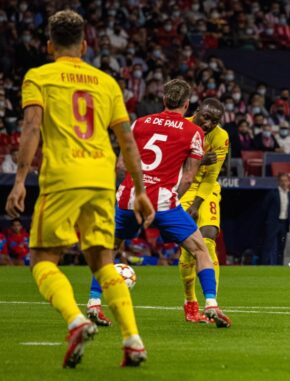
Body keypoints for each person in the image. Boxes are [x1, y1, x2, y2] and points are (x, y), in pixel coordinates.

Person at [4, 10, 155, 368]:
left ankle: (75, 320)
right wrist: (141, 190)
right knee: (103, 261)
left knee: (43, 259)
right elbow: (127, 142)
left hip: (63, 176)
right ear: (85, 45)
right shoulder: (106, 83)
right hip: (102, 176)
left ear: (49, 45)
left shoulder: (39, 76)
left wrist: (20, 178)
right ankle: (133, 341)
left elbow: (31, 127)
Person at [87, 81, 231, 329]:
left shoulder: (139, 122)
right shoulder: (192, 132)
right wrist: (170, 200)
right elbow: (188, 177)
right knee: (200, 250)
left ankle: (93, 303)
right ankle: (211, 305)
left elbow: (121, 166)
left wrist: (130, 190)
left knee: (109, 249)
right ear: (187, 105)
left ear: (164, 100)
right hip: (163, 201)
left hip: (129, 196)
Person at [178, 97, 230, 324]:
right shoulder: (181, 126)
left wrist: (196, 205)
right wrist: (197, 160)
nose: (208, 124)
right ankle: (190, 300)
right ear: (197, 111)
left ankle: (212, 304)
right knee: (189, 248)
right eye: (205, 117)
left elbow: (211, 177)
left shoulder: (221, 137)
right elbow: (171, 164)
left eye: (214, 121)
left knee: (209, 236)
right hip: (181, 186)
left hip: (206, 190)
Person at [263, 173, 290, 265]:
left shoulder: (289, 195)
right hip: (273, 223)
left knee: (281, 246)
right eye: (282, 181)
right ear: (279, 182)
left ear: (289, 182)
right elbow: (265, 207)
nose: (284, 183)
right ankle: (265, 265)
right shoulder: (273, 193)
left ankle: (280, 265)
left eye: (286, 181)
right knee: (269, 245)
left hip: (284, 223)